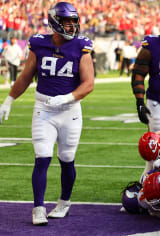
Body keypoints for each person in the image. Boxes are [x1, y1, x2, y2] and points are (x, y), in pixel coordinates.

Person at [0, 2, 94, 226]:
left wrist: (69, 97)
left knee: (67, 159)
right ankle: (38, 208)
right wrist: (9, 99)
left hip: (69, 110)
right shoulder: (39, 43)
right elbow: (25, 76)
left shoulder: (82, 46)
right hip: (44, 109)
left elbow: (89, 83)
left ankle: (64, 202)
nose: (71, 27)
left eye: (73, 22)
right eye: (67, 22)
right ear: (54, 22)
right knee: (42, 157)